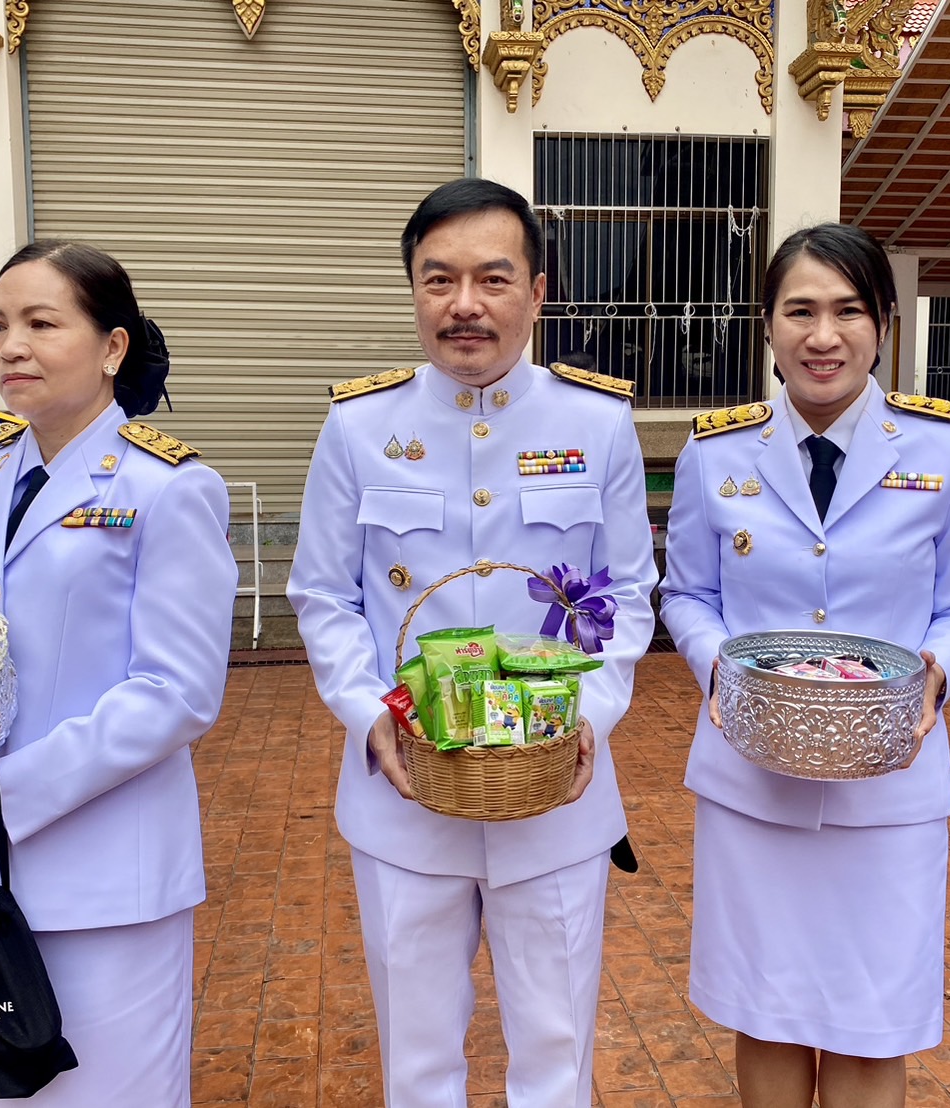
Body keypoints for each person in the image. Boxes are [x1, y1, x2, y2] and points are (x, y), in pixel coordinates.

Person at [287, 177, 657, 1108]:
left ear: (537, 292)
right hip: (404, 789)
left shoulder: (596, 422)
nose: (464, 305)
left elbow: (624, 594)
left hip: (557, 790)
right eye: (437, 279)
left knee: (555, 1047)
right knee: (415, 1056)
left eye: (492, 279)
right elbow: (323, 594)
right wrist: (368, 710)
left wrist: (592, 712)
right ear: (411, 290)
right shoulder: (359, 427)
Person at [0, 240, 232, 1106]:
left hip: (105, 875)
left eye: (40, 323)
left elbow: (174, 695)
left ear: (112, 347)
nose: (10, 347)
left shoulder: (170, 488)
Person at [659, 222, 950, 1108]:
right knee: (765, 1010)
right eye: (799, 311)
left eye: (847, 310)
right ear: (765, 326)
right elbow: (686, 595)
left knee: (870, 1015)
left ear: (882, 323)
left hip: (890, 784)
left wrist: (935, 669)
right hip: (752, 780)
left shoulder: (945, 450)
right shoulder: (715, 452)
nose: (823, 336)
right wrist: (721, 670)